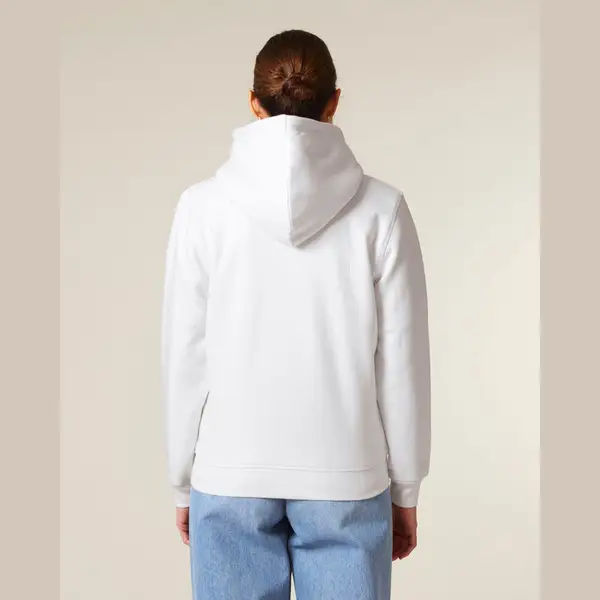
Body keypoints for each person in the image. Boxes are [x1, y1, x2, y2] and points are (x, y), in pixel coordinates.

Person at [162, 29, 431, 600]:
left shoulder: (201, 208)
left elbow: (184, 356)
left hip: (229, 472)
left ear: (253, 103)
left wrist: (183, 481)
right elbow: (403, 363)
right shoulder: (382, 211)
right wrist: (405, 488)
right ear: (334, 102)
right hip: (347, 474)